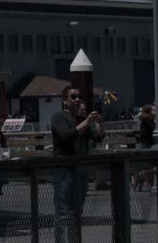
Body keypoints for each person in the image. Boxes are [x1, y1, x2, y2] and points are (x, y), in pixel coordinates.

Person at [51, 85, 104, 243]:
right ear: (65, 101)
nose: (77, 100)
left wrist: (99, 123)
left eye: (79, 96)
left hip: (81, 171)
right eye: (73, 97)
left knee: (77, 212)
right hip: (64, 171)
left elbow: (97, 137)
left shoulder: (82, 120)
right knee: (62, 212)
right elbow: (66, 135)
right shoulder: (58, 117)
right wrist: (87, 122)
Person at [77, 101, 108, 191]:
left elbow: (98, 137)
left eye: (84, 109)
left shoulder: (90, 122)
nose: (83, 111)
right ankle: (83, 185)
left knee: (99, 160)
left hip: (90, 148)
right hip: (80, 150)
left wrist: (100, 123)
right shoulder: (75, 121)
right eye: (81, 109)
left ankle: (98, 183)